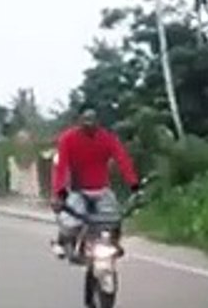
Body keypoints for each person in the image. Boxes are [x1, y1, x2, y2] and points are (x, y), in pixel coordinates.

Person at [49, 109, 140, 260]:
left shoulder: (107, 138)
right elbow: (61, 166)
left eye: (92, 122)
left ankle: (114, 244)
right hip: (78, 190)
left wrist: (133, 184)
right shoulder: (68, 138)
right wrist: (59, 191)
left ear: (98, 123)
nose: (89, 126)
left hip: (102, 189)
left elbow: (122, 159)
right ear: (79, 122)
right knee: (70, 223)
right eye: (86, 122)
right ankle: (63, 242)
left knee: (115, 219)